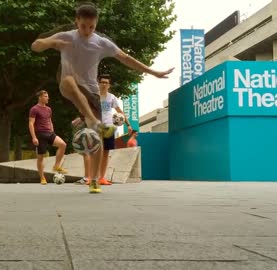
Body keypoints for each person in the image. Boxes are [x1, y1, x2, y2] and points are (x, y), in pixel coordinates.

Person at [31, 3, 173, 193]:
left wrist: (153, 72)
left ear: (96, 23)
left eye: (91, 27)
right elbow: (35, 46)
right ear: (77, 21)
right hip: (70, 86)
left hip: (91, 92)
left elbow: (126, 58)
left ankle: (95, 180)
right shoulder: (67, 36)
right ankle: (89, 117)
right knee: (68, 80)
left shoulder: (101, 43)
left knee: (96, 138)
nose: (87, 31)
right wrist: (50, 43)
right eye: (83, 26)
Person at [98, 74, 133, 185]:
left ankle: (102, 178)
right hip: (96, 127)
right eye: (102, 82)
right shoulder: (94, 96)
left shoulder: (111, 97)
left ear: (109, 85)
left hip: (109, 127)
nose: (104, 84)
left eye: (106, 82)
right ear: (98, 83)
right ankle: (90, 177)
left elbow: (120, 111)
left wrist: (128, 125)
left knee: (105, 153)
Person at [29, 90, 67, 185]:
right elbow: (31, 123)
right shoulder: (34, 109)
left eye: (47, 96)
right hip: (40, 134)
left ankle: (56, 165)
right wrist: (34, 137)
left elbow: (49, 121)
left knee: (62, 144)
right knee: (41, 157)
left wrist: (52, 130)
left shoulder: (49, 109)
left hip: (50, 133)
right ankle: (42, 178)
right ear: (40, 97)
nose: (48, 98)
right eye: (45, 96)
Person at [72, 117, 91, 185]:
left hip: (89, 123)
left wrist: (81, 118)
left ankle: (87, 177)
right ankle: (90, 177)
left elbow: (89, 110)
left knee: (86, 151)